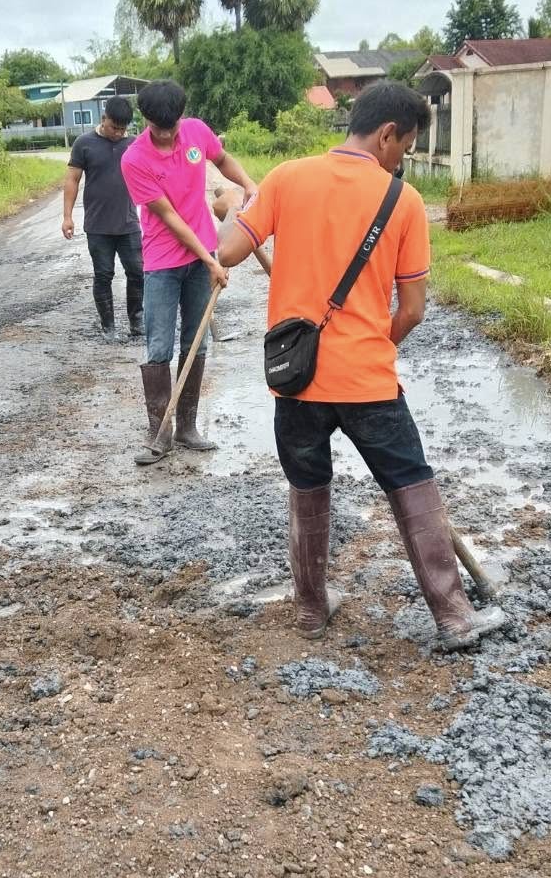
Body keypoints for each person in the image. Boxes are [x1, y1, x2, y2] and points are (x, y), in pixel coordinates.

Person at [217, 81, 508, 652]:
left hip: (295, 380)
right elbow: (413, 310)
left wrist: (233, 208)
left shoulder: (285, 178)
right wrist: (375, 344)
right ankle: (454, 617)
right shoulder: (404, 201)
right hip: (368, 382)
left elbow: (226, 250)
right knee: (411, 482)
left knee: (307, 487)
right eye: (406, 147)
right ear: (386, 135)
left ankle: (310, 609)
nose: (403, 160)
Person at [120, 79, 258, 454]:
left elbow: (222, 159)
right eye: (158, 128)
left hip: (202, 258)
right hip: (163, 262)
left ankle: (186, 428)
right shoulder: (134, 159)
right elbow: (170, 218)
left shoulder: (196, 131)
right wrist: (211, 260)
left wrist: (248, 183)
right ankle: (160, 433)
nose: (166, 135)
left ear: (182, 116)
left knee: (196, 341)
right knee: (159, 345)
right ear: (145, 120)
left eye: (172, 127)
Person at [62, 96, 143, 342]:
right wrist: (67, 216)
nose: (118, 133)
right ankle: (108, 326)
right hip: (98, 226)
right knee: (103, 274)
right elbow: (72, 180)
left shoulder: (134, 144)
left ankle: (137, 322)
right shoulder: (84, 143)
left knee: (137, 272)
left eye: (122, 129)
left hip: (129, 223)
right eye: (113, 127)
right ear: (103, 118)